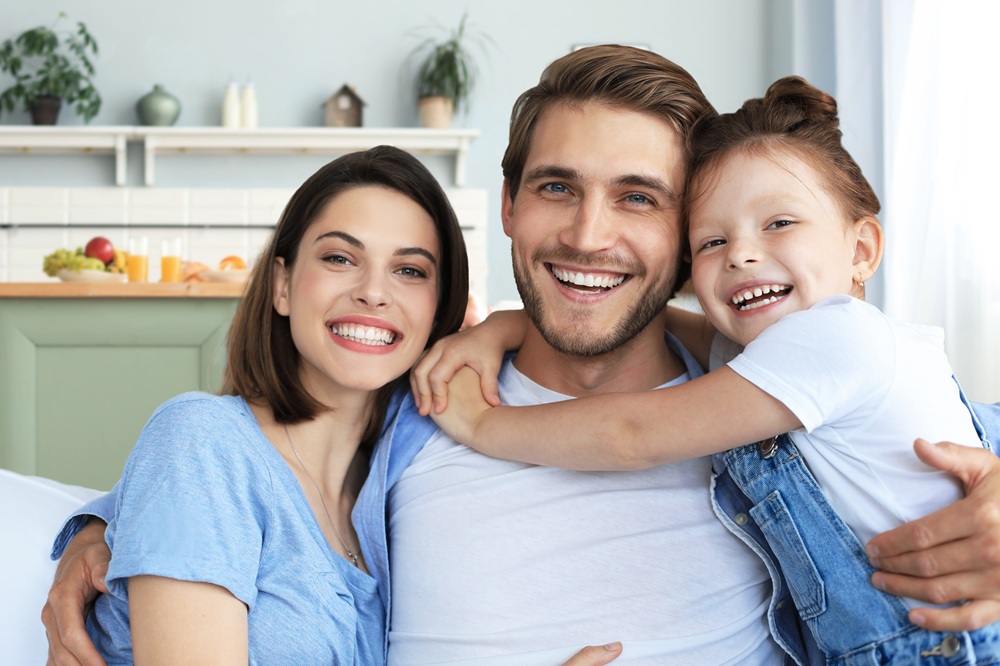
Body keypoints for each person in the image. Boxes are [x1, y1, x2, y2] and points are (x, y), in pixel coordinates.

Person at [44, 46, 1000, 665]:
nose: (588, 234)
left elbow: (934, 432)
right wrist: (97, 531)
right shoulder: (426, 399)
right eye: (556, 188)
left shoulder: (749, 401)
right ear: (508, 208)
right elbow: (257, 471)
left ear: (689, 234)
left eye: (638, 197)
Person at [422, 76, 1000, 662]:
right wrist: (510, 322)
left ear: (862, 249)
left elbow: (632, 435)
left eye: (780, 223)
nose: (742, 255)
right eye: (713, 241)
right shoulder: (750, 350)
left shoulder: (840, 337)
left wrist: (482, 426)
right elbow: (678, 323)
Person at [55, 145, 471, 663]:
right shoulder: (202, 440)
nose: (374, 293)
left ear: (437, 310)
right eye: (340, 258)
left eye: (410, 270)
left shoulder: (396, 477)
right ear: (282, 285)